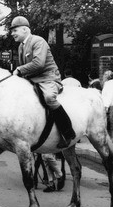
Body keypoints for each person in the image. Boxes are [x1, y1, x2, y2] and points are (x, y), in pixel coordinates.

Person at [10, 16, 76, 147]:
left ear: (24, 29)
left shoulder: (38, 41)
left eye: (14, 30)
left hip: (48, 79)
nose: (12, 34)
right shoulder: (21, 47)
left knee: (49, 98)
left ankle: (68, 133)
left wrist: (19, 70)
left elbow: (39, 64)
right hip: (33, 80)